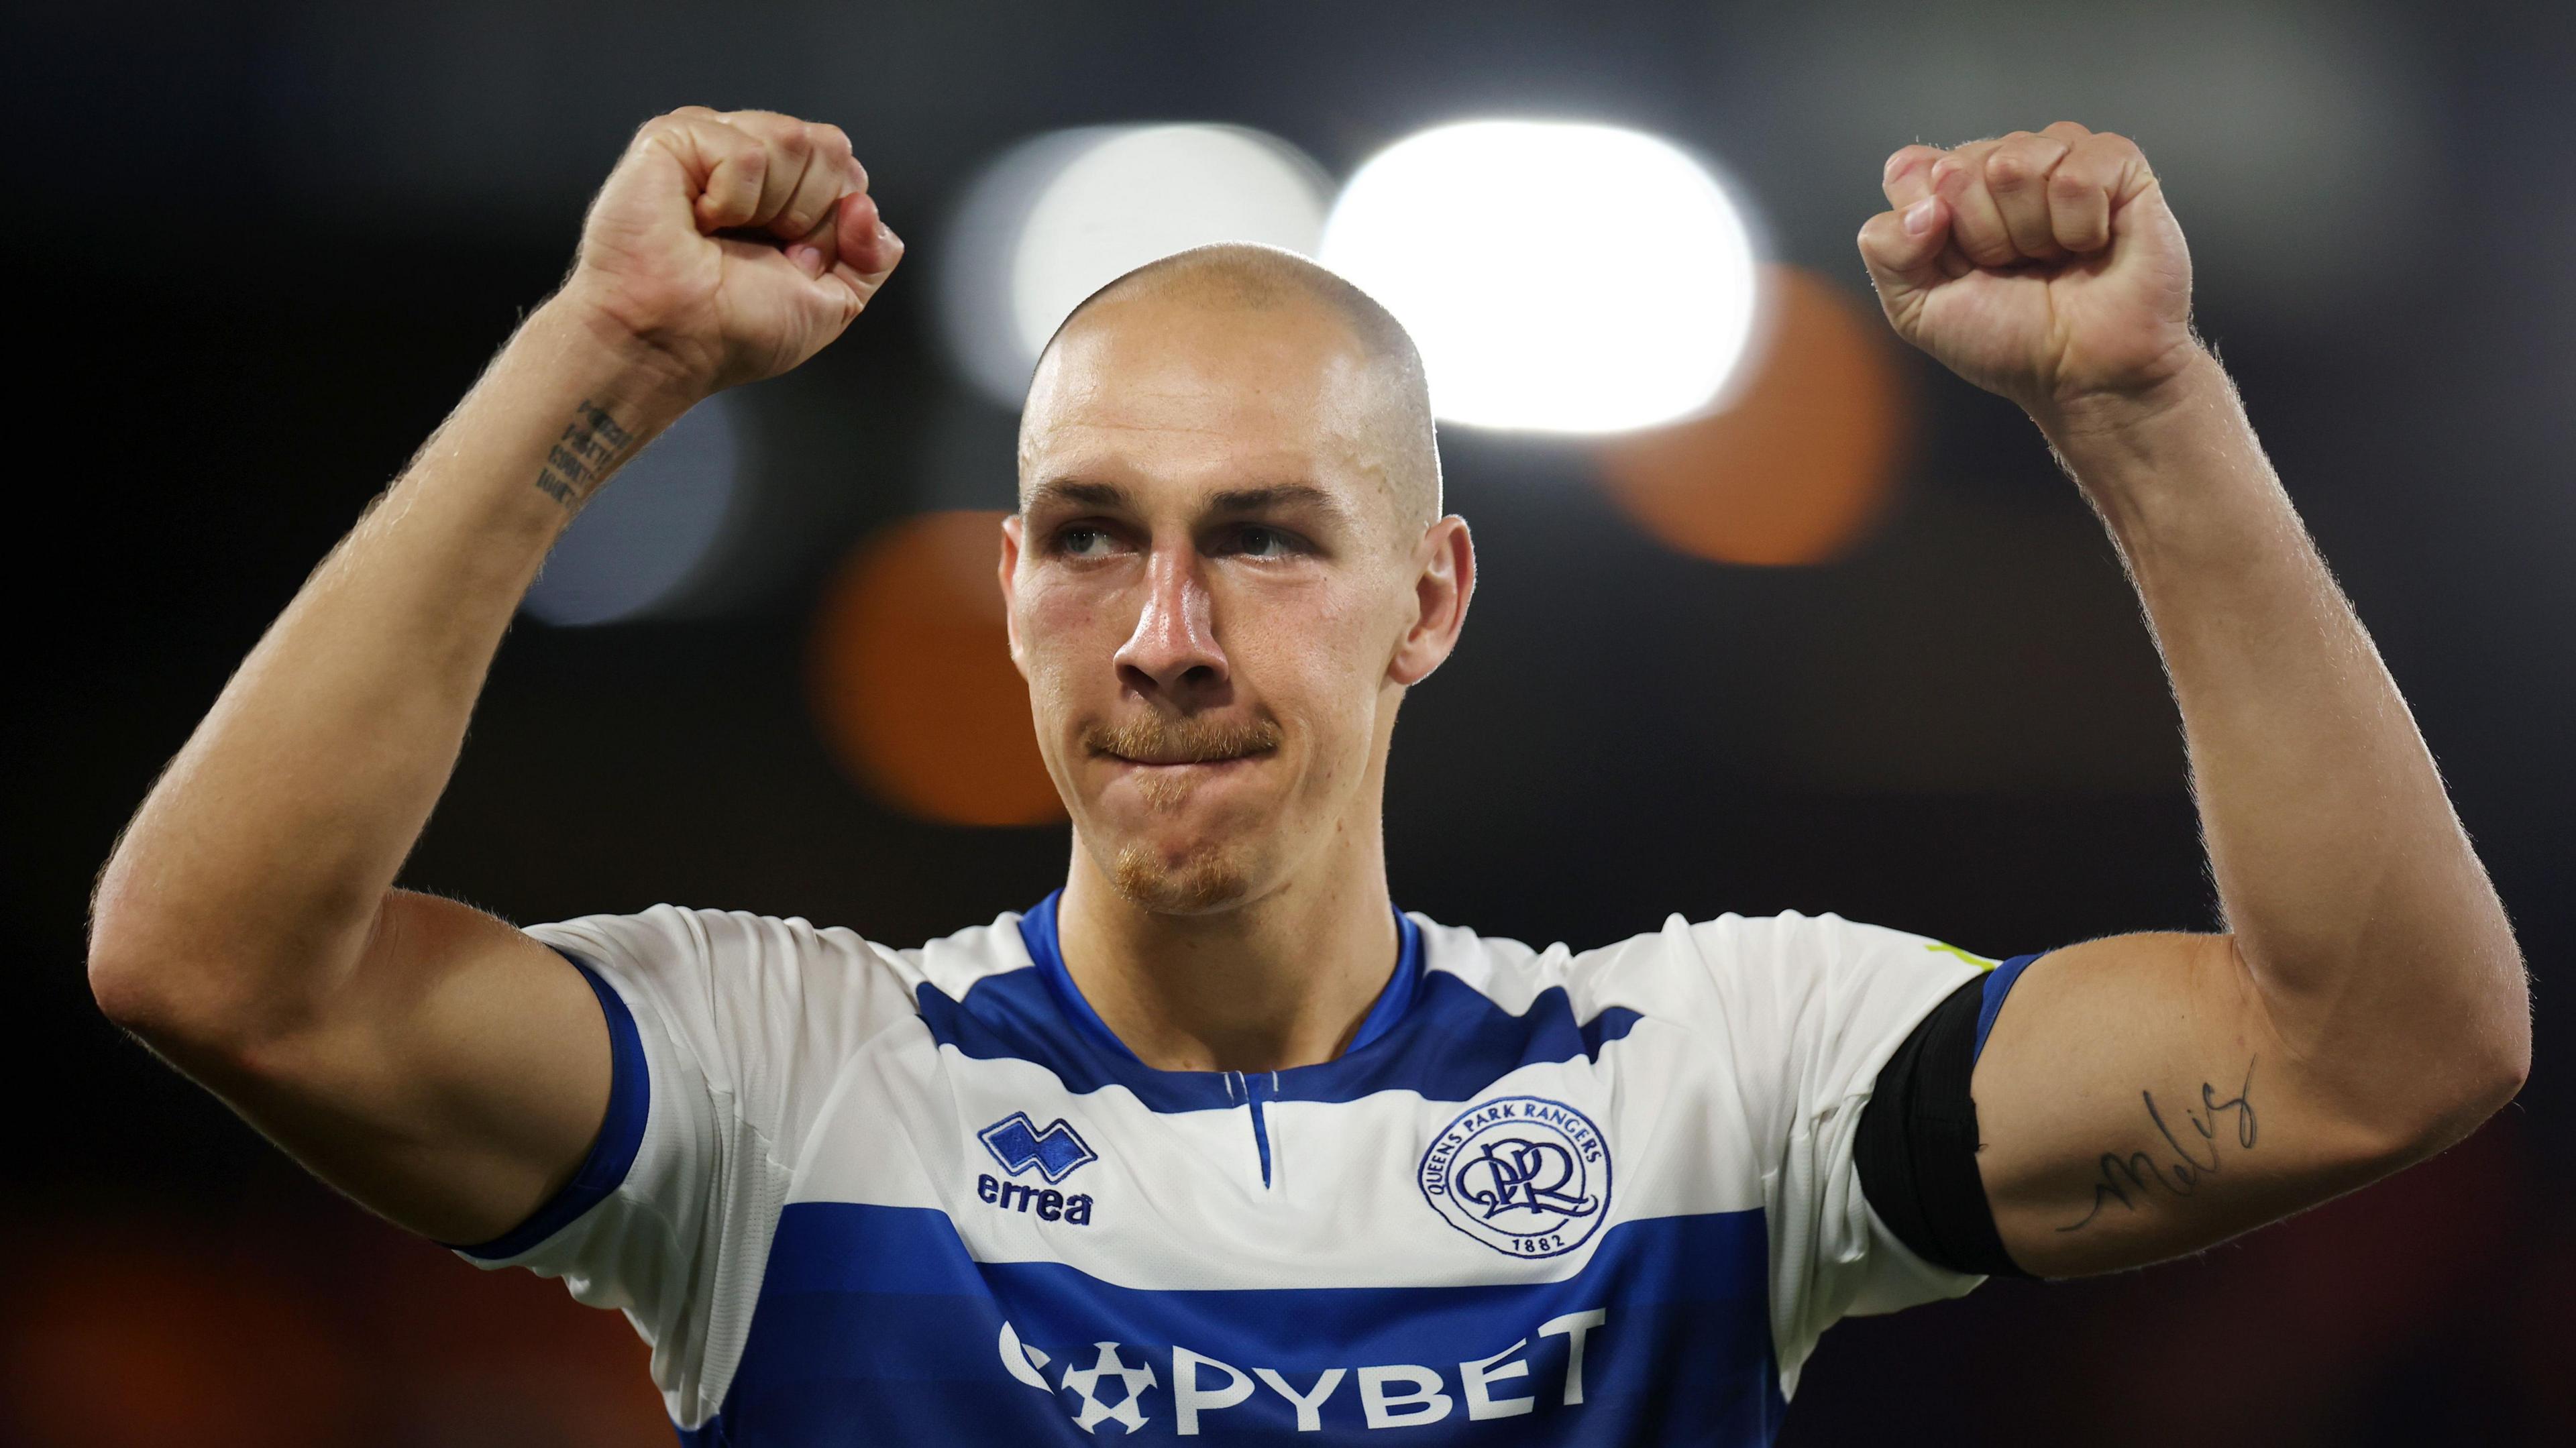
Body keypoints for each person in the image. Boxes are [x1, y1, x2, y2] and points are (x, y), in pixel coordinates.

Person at [87, 107, 2529, 1445]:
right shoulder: (785, 1089)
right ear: (1015, 587)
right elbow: (213, 963)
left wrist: (2143, 416)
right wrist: (600, 362)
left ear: (1432, 601)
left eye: (1261, 541)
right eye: (1087, 542)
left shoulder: (1716, 1081)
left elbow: (2384, 1051)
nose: (1163, 638)